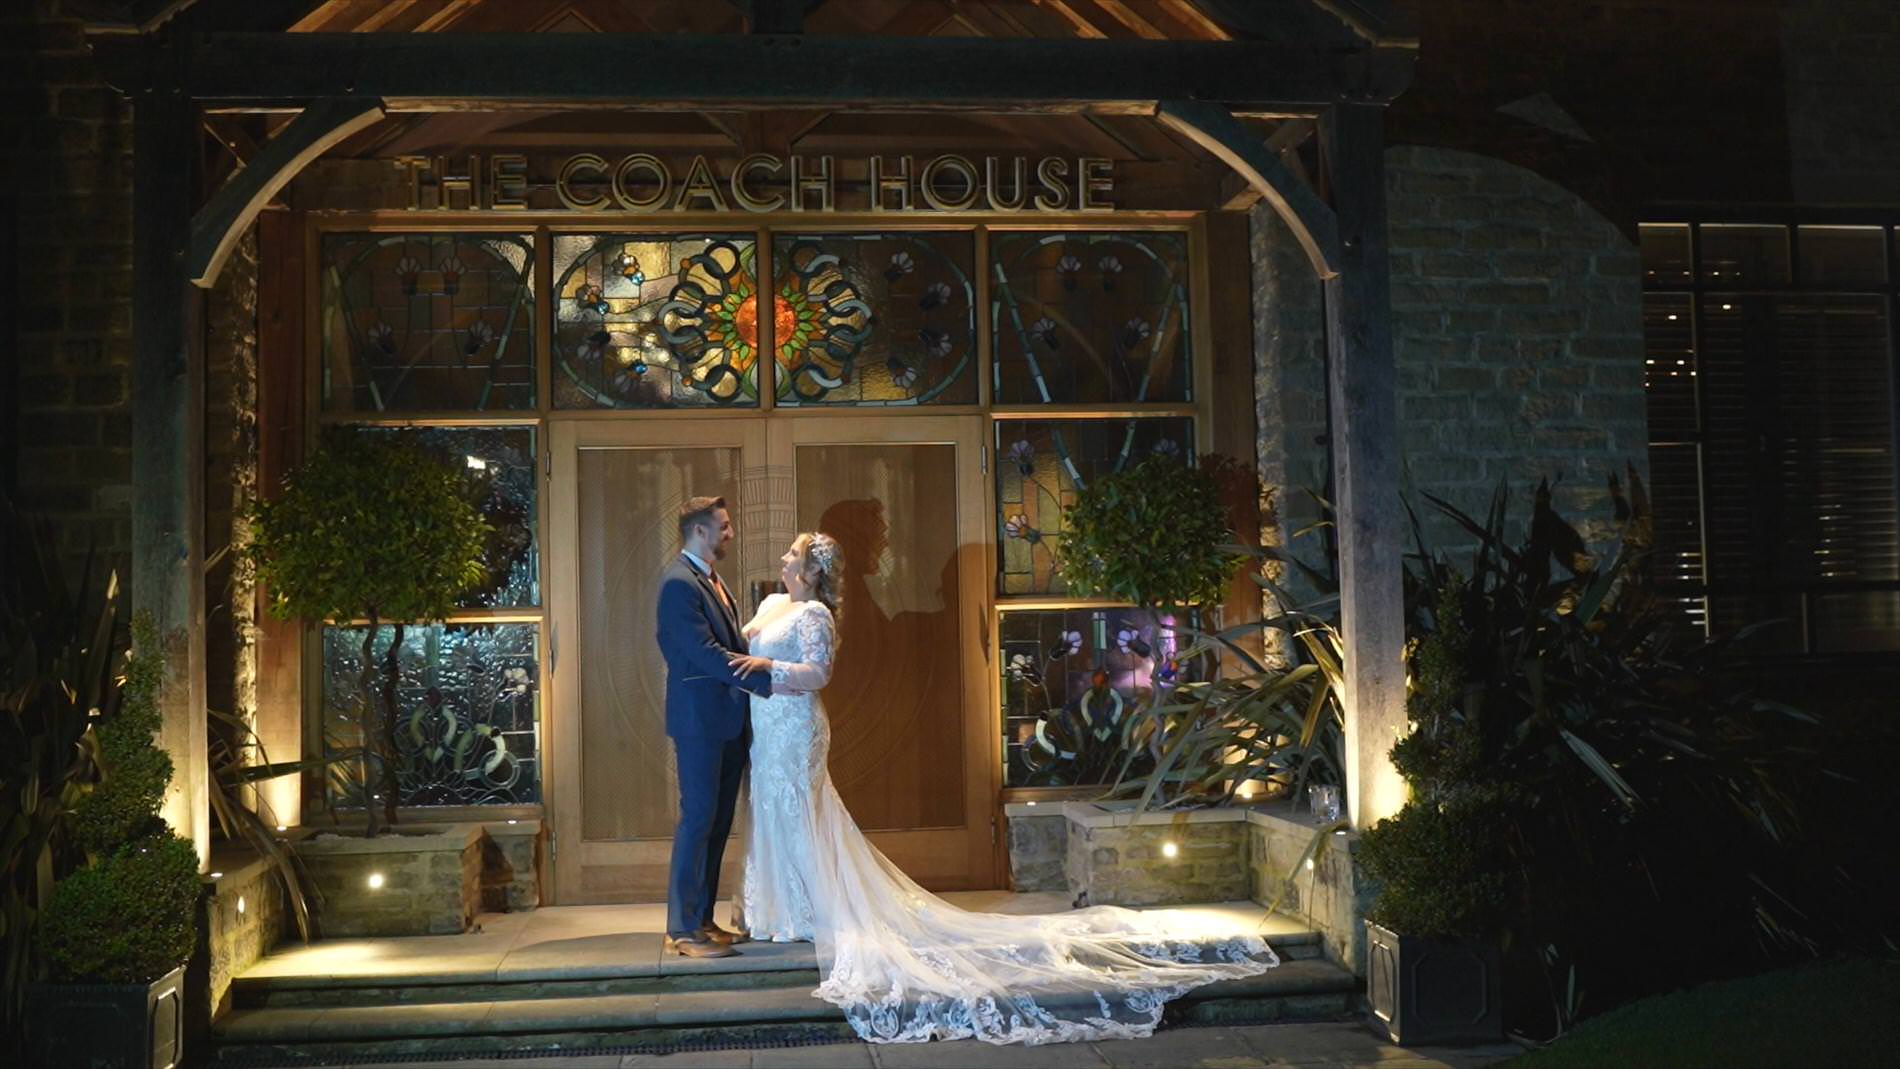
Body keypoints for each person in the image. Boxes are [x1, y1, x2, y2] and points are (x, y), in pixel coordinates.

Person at [728, 532, 1276, 1045]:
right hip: (765, 727)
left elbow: (818, 674)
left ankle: (808, 910)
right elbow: (740, 640)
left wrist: (765, 664)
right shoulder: (773, 606)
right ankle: (774, 910)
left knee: (800, 808)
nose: (782, 561)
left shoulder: (816, 614)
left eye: (791, 555)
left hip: (796, 724)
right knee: (771, 810)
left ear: (811, 569)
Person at [655, 495, 772, 959]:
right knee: (698, 819)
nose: (730, 533)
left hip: (725, 719)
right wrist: (770, 679)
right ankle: (682, 929)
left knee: (718, 822)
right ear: (699, 531)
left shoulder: (711, 580)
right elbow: (704, 653)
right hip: (699, 722)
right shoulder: (678, 585)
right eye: (723, 526)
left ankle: (703, 918)